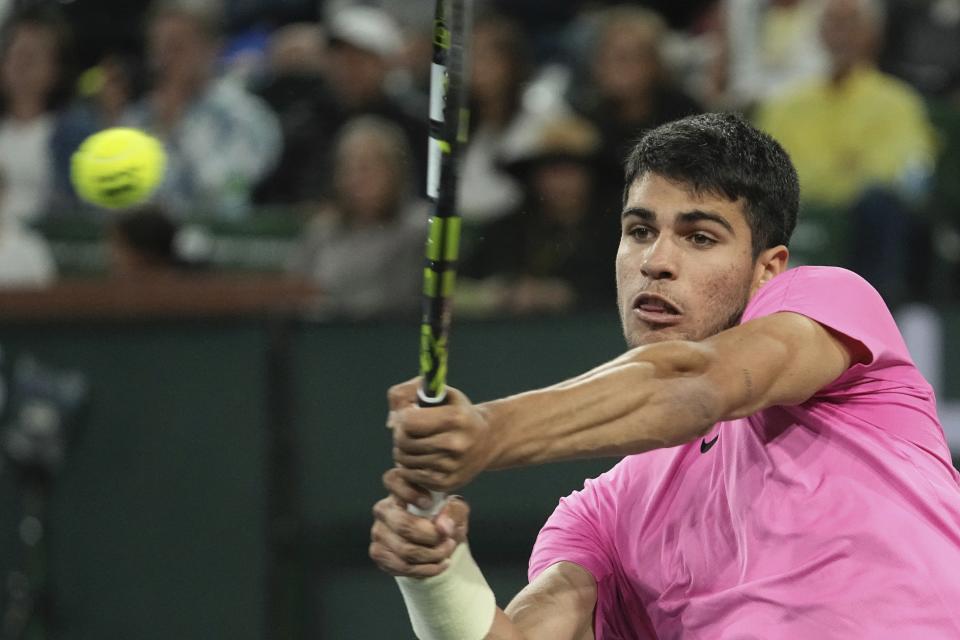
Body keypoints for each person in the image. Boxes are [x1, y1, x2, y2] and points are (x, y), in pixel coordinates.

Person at [369, 113, 960, 638]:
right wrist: (434, 568)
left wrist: (488, 433)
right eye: (639, 230)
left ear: (768, 270)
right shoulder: (601, 515)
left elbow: (693, 383)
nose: (656, 261)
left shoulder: (827, 305)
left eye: (700, 237)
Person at [755, 0, 936, 303]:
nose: (841, 35)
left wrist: (826, 178)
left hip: (863, 219)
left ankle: (873, 306)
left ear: (874, 36)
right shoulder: (785, 105)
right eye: (832, 24)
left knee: (882, 206)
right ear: (819, 33)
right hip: (800, 211)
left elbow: (901, 169)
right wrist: (845, 170)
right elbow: (770, 169)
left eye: (851, 25)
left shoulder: (899, 102)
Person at [123, 0, 282, 219]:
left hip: (220, 243)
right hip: (150, 246)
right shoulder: (137, 117)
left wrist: (175, 122)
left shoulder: (246, 116)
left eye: (177, 47)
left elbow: (220, 194)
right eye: (158, 49)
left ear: (212, 49)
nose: (164, 60)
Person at [287, 116, 425, 319]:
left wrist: (329, 301)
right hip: (320, 341)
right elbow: (294, 291)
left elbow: (397, 301)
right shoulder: (322, 231)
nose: (356, 178)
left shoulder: (417, 230)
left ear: (396, 171)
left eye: (367, 167)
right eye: (347, 168)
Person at [0, 5, 74, 224]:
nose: (22, 66)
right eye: (16, 55)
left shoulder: (69, 135)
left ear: (54, 69)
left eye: (32, 57)